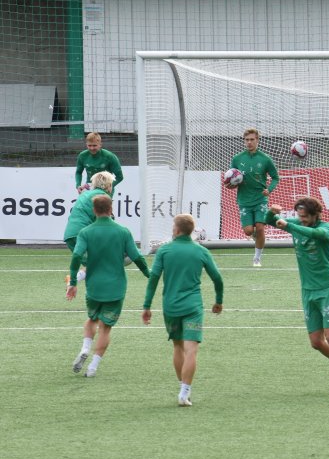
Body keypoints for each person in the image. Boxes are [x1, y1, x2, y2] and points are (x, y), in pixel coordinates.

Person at [267, 197, 329, 395]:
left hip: (328, 289)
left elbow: (317, 234)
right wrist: (271, 212)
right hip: (307, 291)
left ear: (316, 215)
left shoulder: (326, 228)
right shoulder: (297, 224)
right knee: (316, 342)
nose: (302, 220)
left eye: (305, 217)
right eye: (299, 216)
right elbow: (269, 221)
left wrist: (289, 225)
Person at [142, 214, 225, 406]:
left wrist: (147, 306)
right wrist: (218, 301)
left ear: (177, 230)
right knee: (191, 350)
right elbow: (217, 278)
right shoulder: (201, 251)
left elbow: (153, 279)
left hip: (170, 306)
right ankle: (184, 392)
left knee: (178, 347)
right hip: (192, 306)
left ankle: (182, 386)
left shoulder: (164, 250)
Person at [66, 194, 150, 377]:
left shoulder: (85, 232)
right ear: (111, 209)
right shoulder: (123, 232)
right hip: (116, 289)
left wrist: (73, 283)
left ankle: (85, 348)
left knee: (92, 319)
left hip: (94, 288)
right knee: (105, 328)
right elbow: (136, 257)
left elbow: (77, 256)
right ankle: (93, 367)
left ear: (93, 210)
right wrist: (148, 274)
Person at [229, 128, 280, 267]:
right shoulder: (237, 159)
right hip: (244, 200)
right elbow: (230, 179)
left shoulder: (265, 159)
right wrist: (230, 185)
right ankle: (256, 236)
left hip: (260, 199)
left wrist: (269, 190)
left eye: (252, 139)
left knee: (260, 227)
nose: (249, 142)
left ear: (257, 140)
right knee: (248, 231)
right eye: (247, 140)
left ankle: (257, 258)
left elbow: (275, 177)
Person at [62, 171, 117, 288]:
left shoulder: (85, 194)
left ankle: (74, 279)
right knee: (103, 262)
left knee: (95, 263)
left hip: (70, 234)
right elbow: (106, 222)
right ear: (108, 185)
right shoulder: (103, 197)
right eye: (111, 184)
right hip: (82, 234)